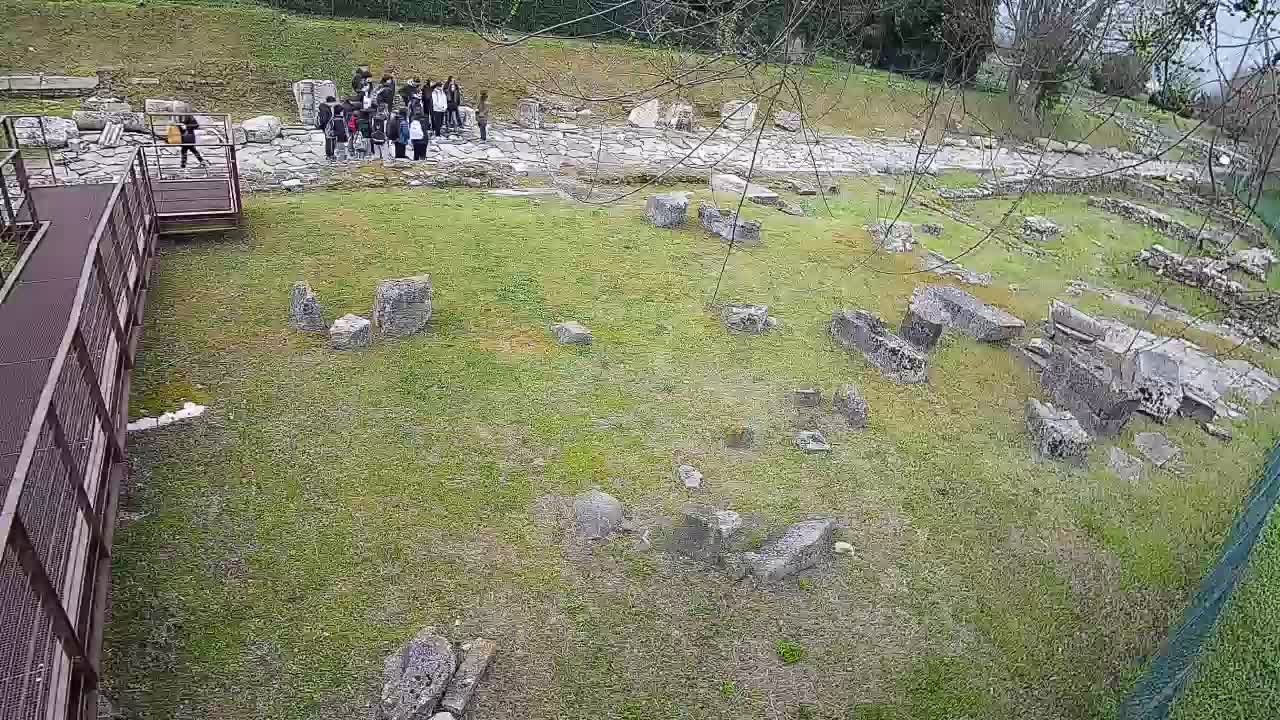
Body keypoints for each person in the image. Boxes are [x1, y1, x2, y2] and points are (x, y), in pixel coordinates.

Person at [315, 95, 340, 160]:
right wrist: (325, 126)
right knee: (330, 140)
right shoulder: (325, 109)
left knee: (330, 139)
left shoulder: (326, 107)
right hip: (328, 126)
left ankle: (331, 154)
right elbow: (325, 119)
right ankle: (330, 155)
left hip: (328, 126)